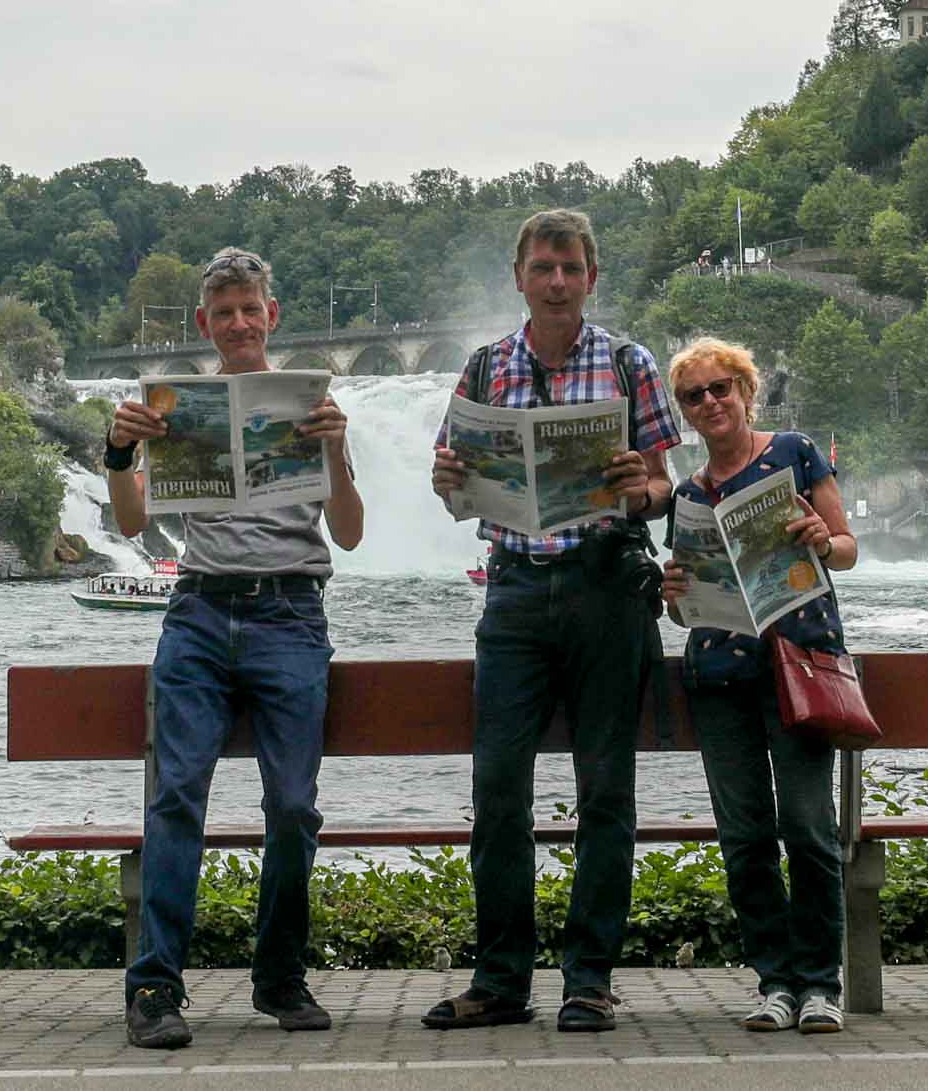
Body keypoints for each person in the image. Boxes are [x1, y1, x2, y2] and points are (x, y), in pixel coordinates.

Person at [425, 208, 681, 1035]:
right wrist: (448, 477)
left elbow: (667, 489)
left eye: (571, 266)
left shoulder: (630, 362)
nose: (558, 281)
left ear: (591, 277)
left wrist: (636, 487)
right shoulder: (484, 366)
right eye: (544, 267)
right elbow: (453, 489)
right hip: (514, 593)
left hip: (607, 585)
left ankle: (590, 980)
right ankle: (501, 980)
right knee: (498, 789)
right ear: (521, 278)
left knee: (605, 789)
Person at [105, 247, 366, 1051]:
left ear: (271, 314)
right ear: (204, 325)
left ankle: (279, 976)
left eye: (251, 309)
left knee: (293, 806)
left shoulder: (310, 405)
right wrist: (120, 452)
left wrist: (335, 450)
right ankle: (154, 987)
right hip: (200, 610)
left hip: (291, 611)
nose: (240, 324)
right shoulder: (175, 407)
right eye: (225, 314)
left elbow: (350, 532)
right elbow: (128, 523)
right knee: (176, 793)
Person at [660, 336, 859, 1036]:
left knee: (806, 827)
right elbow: (683, 608)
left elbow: (847, 548)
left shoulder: (796, 453)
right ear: (684, 411)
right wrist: (673, 594)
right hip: (718, 673)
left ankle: (819, 984)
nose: (711, 402)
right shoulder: (688, 493)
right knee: (745, 835)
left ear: (747, 391)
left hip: (798, 664)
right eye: (695, 394)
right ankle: (773, 980)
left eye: (722, 388)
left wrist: (817, 536)